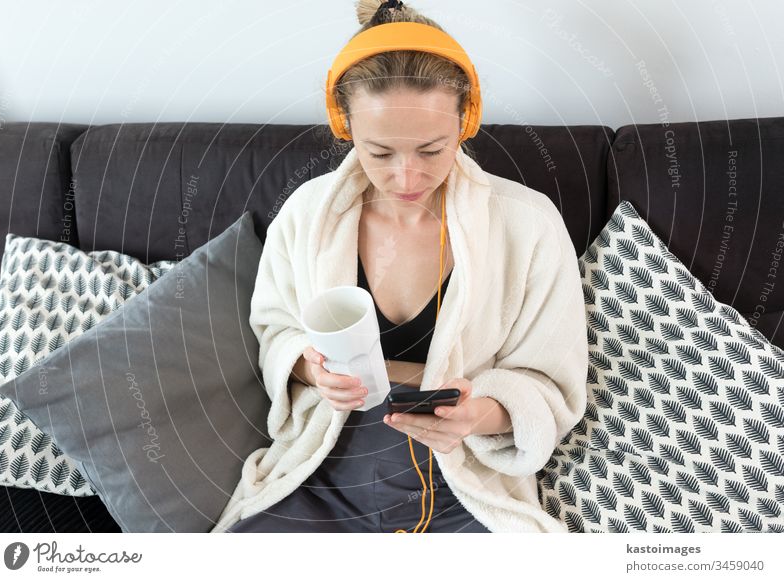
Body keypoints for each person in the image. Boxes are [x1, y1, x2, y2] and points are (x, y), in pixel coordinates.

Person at [212, 0, 588, 534]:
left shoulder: (528, 225)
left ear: (467, 119)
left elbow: (551, 382)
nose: (407, 176)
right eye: (380, 152)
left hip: (462, 475)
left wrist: (475, 415)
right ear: (345, 126)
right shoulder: (306, 215)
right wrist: (312, 368)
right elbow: (276, 330)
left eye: (432, 150)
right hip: (324, 465)